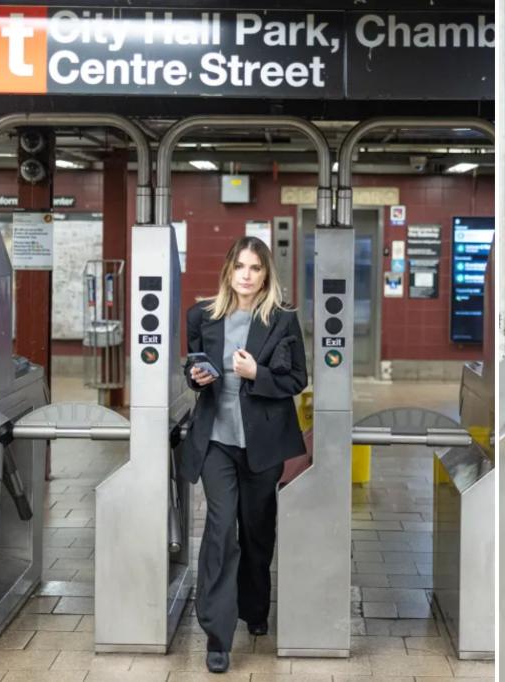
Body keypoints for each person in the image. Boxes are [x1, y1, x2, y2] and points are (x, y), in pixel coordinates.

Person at [180, 236, 307, 674]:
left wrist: (258, 374)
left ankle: (255, 608)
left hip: (263, 444)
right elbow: (193, 369)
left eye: (255, 268)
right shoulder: (202, 315)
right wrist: (197, 376)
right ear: (228, 271)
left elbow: (296, 380)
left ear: (266, 274)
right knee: (220, 529)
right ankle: (217, 634)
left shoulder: (281, 320)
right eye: (240, 266)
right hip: (216, 439)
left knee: (256, 532)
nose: (247, 275)